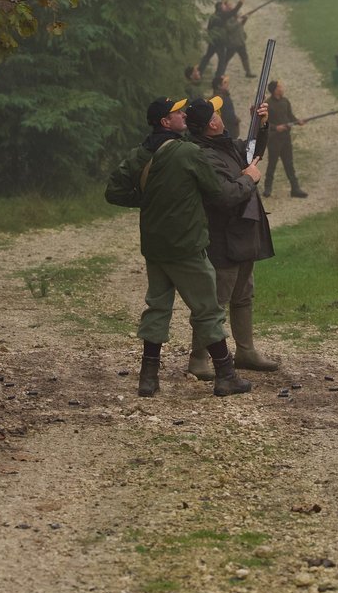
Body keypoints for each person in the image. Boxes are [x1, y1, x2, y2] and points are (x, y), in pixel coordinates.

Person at [106, 96, 258, 398]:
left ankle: (148, 379)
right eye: (177, 113)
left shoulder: (140, 154)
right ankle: (225, 375)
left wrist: (150, 200)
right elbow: (220, 193)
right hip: (186, 244)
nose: (184, 116)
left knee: (158, 307)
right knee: (207, 309)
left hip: (154, 245)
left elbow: (114, 192)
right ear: (166, 122)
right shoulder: (189, 152)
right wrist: (248, 180)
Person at [185, 95, 278, 379]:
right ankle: (199, 358)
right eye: (216, 112)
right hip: (223, 236)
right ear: (211, 123)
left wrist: (261, 124)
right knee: (216, 300)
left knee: (243, 295)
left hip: (242, 232)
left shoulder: (223, 145)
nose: (220, 114)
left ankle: (245, 351)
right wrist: (250, 178)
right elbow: (226, 195)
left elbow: (252, 153)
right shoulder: (206, 156)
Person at [264, 79, 308, 198]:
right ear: (275, 90)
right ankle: (267, 188)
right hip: (274, 140)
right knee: (272, 164)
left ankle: (295, 188)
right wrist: (275, 128)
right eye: (280, 87)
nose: (282, 88)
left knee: (289, 164)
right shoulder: (268, 104)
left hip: (286, 138)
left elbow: (290, 116)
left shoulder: (285, 101)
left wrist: (298, 121)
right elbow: (264, 122)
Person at [220, 0, 255, 77]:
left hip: (240, 40)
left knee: (245, 57)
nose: (231, 6)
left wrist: (245, 18)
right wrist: (238, 21)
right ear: (226, 7)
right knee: (226, 59)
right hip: (232, 42)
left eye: (231, 4)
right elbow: (229, 28)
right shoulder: (225, 16)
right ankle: (221, 73)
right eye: (229, 5)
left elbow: (240, 25)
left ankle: (248, 72)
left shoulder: (235, 14)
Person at [198, 1, 227, 76]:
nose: (225, 7)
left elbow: (209, 28)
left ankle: (199, 72)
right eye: (223, 6)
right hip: (219, 42)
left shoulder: (213, 16)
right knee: (222, 60)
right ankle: (218, 76)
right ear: (220, 7)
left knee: (207, 57)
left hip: (212, 41)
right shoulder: (222, 16)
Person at [212, 71, 239, 138]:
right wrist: (236, 120)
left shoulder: (213, 98)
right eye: (224, 83)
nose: (227, 85)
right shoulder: (224, 99)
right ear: (219, 86)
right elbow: (230, 117)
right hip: (228, 132)